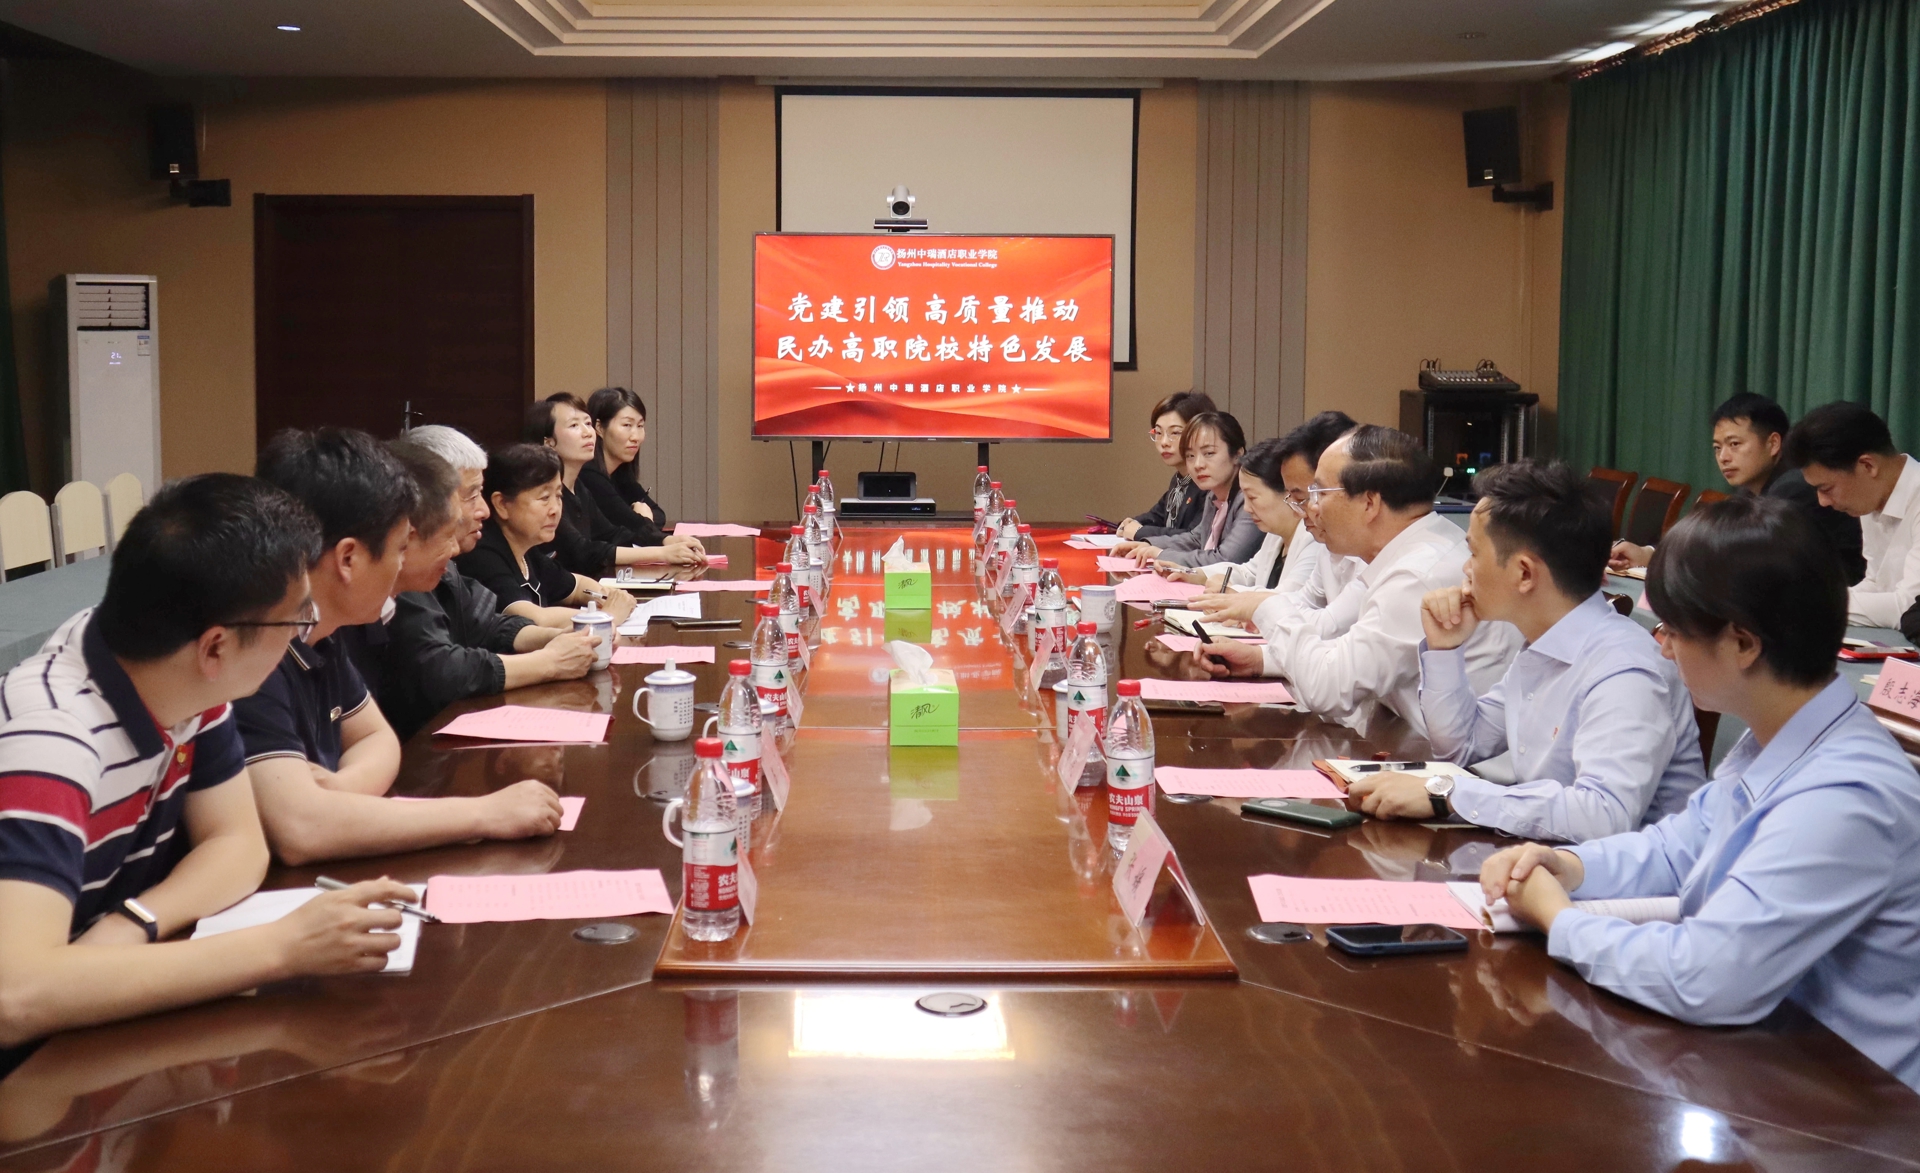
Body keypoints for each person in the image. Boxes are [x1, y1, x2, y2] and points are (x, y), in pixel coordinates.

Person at [1480, 495, 1920, 1093]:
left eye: (1674, 630)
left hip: (1850, 1100)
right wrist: (1568, 865)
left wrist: (1557, 918)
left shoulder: (1847, 794)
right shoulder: (1780, 737)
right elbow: (1675, 849)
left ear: (1743, 643)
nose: (1662, 646)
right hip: (1768, 1058)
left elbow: (1707, 977)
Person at [0, 474, 419, 1074]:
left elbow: (237, 844)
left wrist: (132, 924)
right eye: (295, 620)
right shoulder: (51, 740)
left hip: (90, 1018)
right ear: (216, 647)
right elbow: (15, 995)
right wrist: (279, 947)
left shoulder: (182, 674)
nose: (304, 632)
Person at [238, 428, 566, 866]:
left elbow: (378, 738)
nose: (399, 571)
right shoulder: (255, 649)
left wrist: (338, 793)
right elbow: (301, 829)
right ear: (348, 559)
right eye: (398, 548)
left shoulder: (322, 631)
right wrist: (484, 813)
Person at [1348, 461, 1706, 841]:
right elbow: (1462, 746)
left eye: (1474, 554)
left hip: (1621, 875)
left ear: (1524, 573)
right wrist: (1445, 649)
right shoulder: (1544, 646)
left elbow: (1602, 815)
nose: (1465, 569)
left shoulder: (1625, 671)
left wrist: (1449, 795)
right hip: (1543, 858)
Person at [1197, 426, 1522, 736]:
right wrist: (1259, 660)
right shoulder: (1401, 551)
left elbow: (1329, 689)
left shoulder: (1417, 575)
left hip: (1451, 761)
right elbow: (1347, 655)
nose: (1311, 508)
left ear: (1369, 503)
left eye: (1319, 493)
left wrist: (1267, 607)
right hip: (1406, 740)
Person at [343, 434, 597, 742]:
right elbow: (439, 671)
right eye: (472, 494)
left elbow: (487, 624)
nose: (484, 510)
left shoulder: (441, 563)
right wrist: (549, 663)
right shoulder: (404, 579)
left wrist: (554, 638)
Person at [1608, 393, 1864, 582]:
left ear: (1773, 444)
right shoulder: (1751, 489)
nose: (1723, 457)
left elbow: (1734, 556)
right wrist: (1647, 554)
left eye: (1734, 444)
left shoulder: (1795, 486)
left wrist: (1653, 557)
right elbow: (1711, 543)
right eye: (1717, 448)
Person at [1185, 411, 1359, 634]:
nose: (1311, 508)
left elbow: (1327, 624)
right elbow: (1303, 600)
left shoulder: (1321, 540)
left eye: (1316, 494)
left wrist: (1245, 603)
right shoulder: (1322, 542)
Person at [456, 443, 631, 629]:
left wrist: (607, 597)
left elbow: (577, 586)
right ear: (502, 504)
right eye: (545, 498)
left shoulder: (526, 550)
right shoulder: (483, 553)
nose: (555, 509)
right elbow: (532, 620)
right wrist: (607, 616)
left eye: (558, 496)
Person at [525, 394, 701, 576]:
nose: (587, 432)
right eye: (574, 425)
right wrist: (662, 553)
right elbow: (583, 551)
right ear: (549, 443)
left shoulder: (579, 488)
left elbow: (612, 534)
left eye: (587, 423)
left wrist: (666, 541)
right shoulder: (546, 495)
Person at [1784, 401, 1919, 628]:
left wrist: (1815, 603)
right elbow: (1877, 585)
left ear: (1867, 466)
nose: (1823, 502)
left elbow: (1911, 608)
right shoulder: (1872, 497)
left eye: (1826, 488)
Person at [1111, 411, 1262, 569]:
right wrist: (1147, 545)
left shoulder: (1249, 498)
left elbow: (1225, 559)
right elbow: (1196, 539)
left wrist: (1160, 554)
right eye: (1190, 456)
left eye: (1209, 453)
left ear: (1237, 454)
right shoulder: (1214, 495)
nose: (1198, 465)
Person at [1115, 391, 1216, 541]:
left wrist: (1141, 532)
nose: (1164, 442)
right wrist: (1133, 522)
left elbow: (1194, 537)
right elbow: (1158, 515)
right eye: (1158, 432)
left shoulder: (1208, 482)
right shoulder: (1180, 479)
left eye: (1175, 433)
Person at [582, 386, 671, 534]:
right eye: (627, 425)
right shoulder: (588, 474)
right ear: (599, 428)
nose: (636, 437)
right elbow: (635, 526)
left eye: (640, 426)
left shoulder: (620, 474)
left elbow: (659, 515)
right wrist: (644, 520)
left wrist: (643, 521)